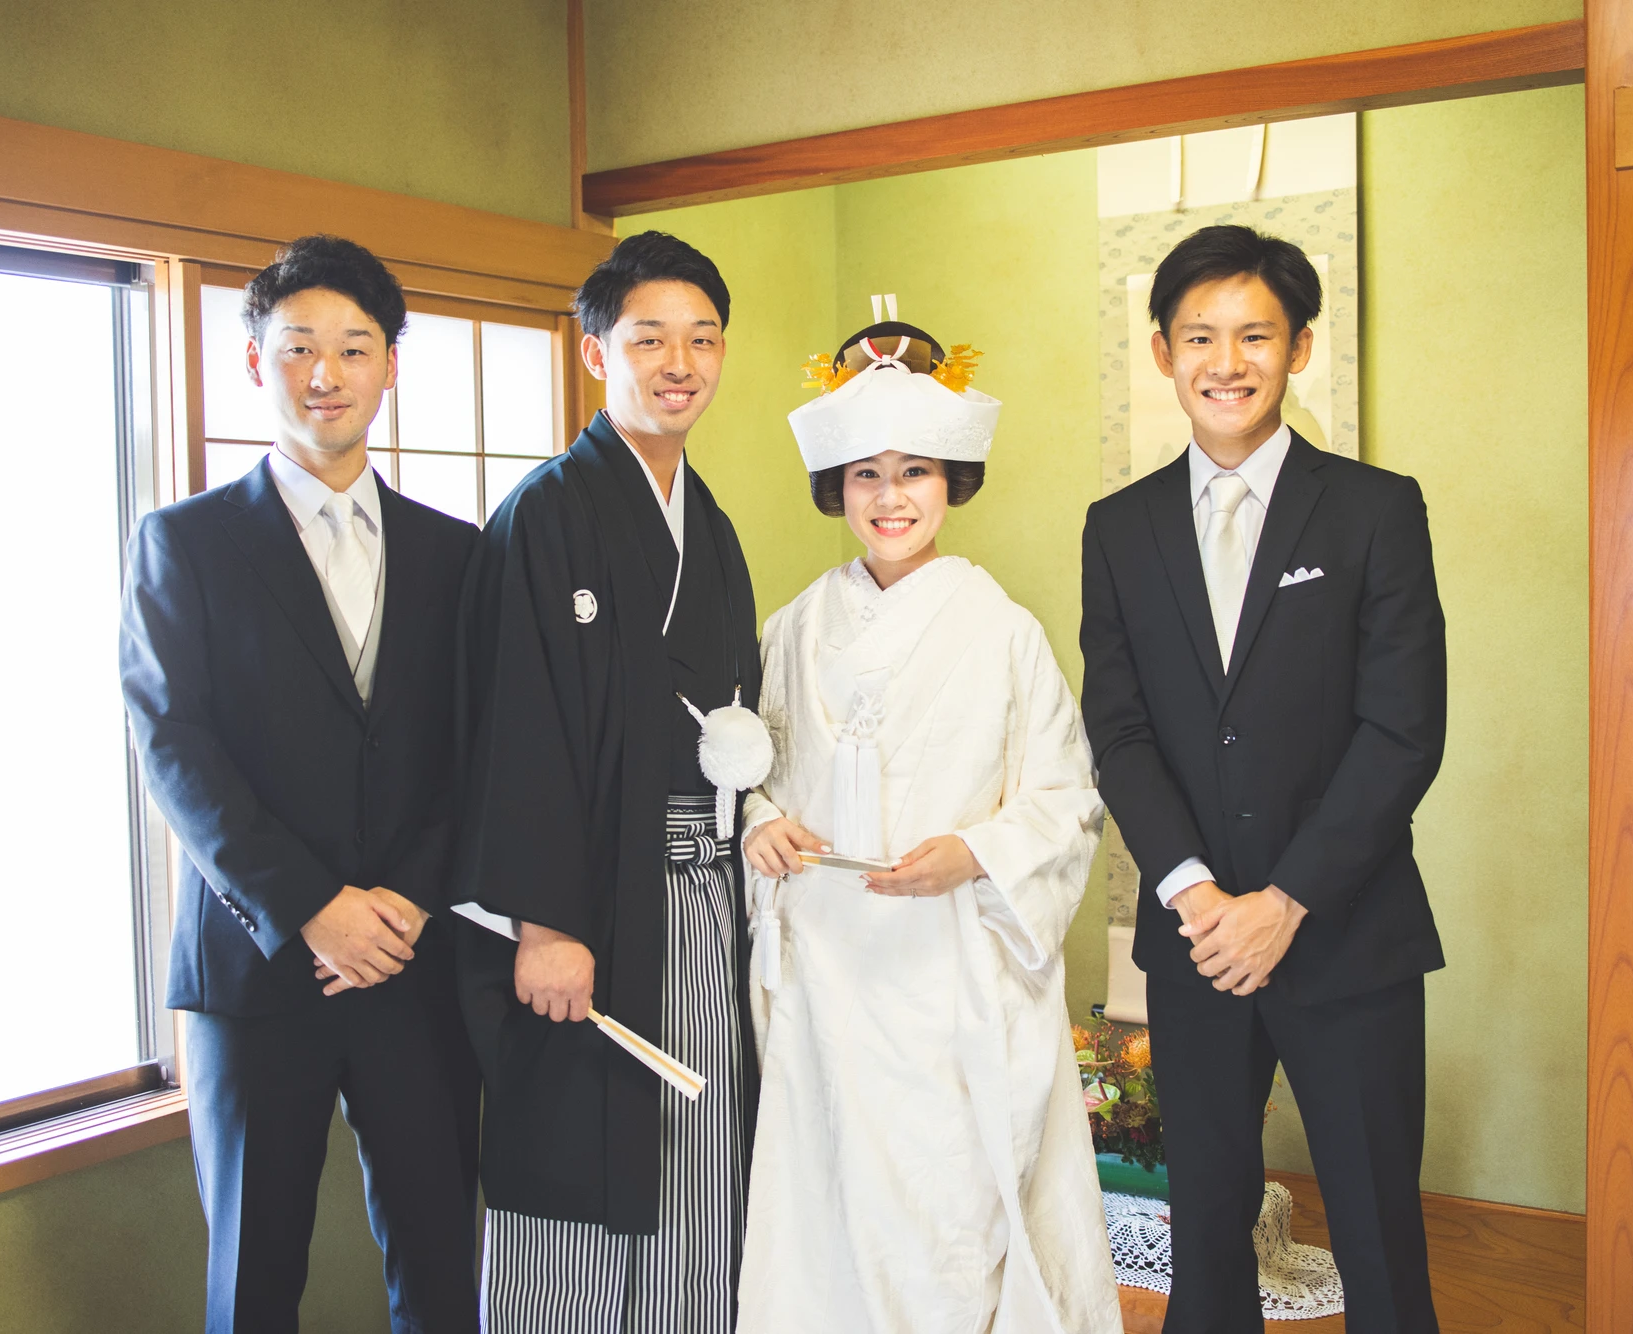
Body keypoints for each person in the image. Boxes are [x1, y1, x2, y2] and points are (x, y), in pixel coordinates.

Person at [1079, 224, 1448, 1332]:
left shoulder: (1376, 508)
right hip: (1194, 944)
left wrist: (1285, 901)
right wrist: (1195, 892)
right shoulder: (1119, 527)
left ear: (1298, 347)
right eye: (1199, 336)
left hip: (1346, 932)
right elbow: (1118, 729)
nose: (1225, 361)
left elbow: (1403, 732)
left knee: (1377, 1228)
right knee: (1202, 1228)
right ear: (1162, 352)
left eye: (1254, 334)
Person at [120, 235, 481, 1332]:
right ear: (254, 362)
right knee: (254, 1273)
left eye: (354, 348)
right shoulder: (184, 543)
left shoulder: (456, 553)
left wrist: (406, 899)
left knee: (441, 1260)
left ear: (389, 367)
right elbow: (174, 745)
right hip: (256, 968)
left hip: (412, 963)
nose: (326, 373)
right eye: (297, 348)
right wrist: (313, 907)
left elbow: (476, 750)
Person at [735, 311, 1121, 1334]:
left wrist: (975, 851)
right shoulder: (791, 626)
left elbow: (1066, 794)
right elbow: (752, 767)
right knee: (827, 1197)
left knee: (951, 1197)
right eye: (865, 474)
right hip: (826, 962)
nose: (890, 497)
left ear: (951, 480)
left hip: (950, 964)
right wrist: (760, 819)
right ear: (838, 488)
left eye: (914, 471)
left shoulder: (1003, 631)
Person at [449, 231, 760, 1333]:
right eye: (648, 338)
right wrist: (543, 923)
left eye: (702, 339)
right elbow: (514, 726)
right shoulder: (547, 512)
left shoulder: (708, 524)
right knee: (577, 1175)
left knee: (696, 1164)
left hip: (700, 895)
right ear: (595, 353)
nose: (680, 363)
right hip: (586, 905)